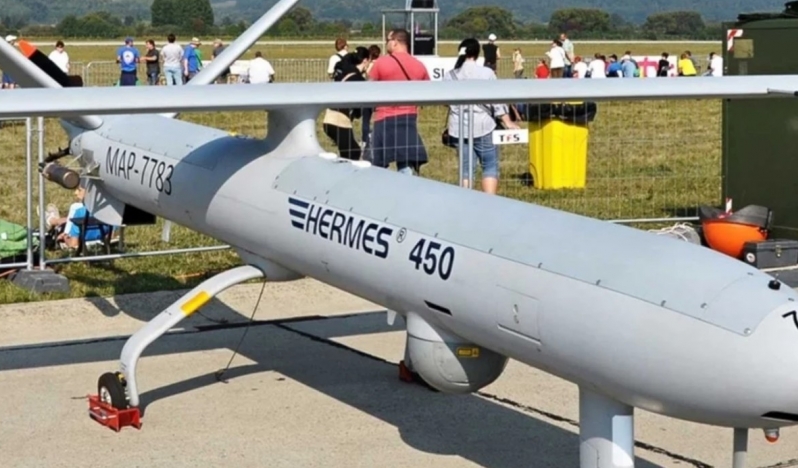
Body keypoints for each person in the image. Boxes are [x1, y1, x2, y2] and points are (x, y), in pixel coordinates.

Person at [444, 38, 519, 195]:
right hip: (484, 125)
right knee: (489, 165)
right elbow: (496, 101)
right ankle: (489, 201)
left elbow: (446, 102)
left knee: (466, 169)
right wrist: (507, 121)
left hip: (458, 128)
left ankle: (466, 200)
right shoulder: (487, 73)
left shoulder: (450, 75)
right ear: (477, 53)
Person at [368, 28, 430, 176]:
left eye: (388, 40)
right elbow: (427, 90)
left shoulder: (381, 63)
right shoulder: (419, 65)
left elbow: (368, 88)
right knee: (405, 162)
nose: (386, 43)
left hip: (383, 118)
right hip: (408, 118)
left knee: (379, 165)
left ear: (395, 42)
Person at [322, 48, 371, 160]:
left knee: (348, 153)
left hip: (330, 118)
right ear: (365, 60)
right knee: (353, 153)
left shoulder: (346, 70)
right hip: (340, 121)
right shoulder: (358, 79)